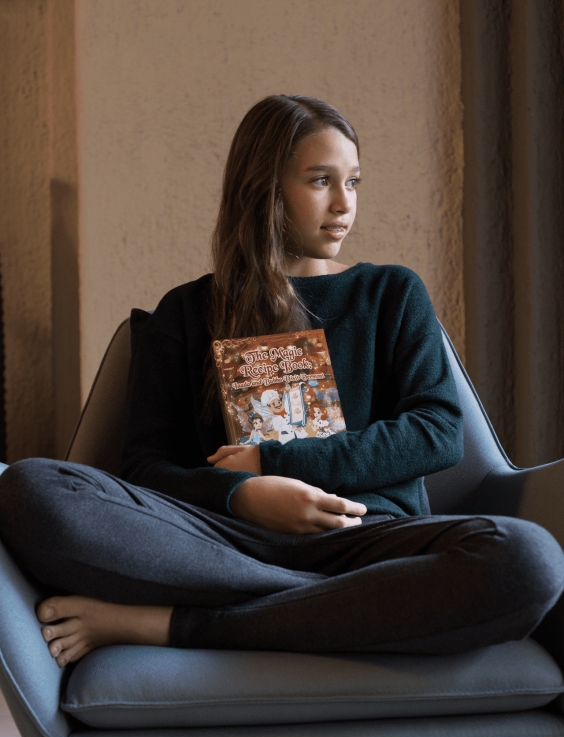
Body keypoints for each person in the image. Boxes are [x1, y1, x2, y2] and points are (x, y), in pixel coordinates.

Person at [0, 94, 563, 669]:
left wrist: (275, 466)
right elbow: (145, 469)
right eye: (321, 180)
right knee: (31, 489)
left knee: (529, 562)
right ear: (264, 190)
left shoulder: (391, 293)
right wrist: (242, 496)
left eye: (354, 181)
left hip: (368, 545)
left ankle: (177, 623)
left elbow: (438, 433)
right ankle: (325, 609)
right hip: (224, 543)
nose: (345, 203)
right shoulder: (186, 312)